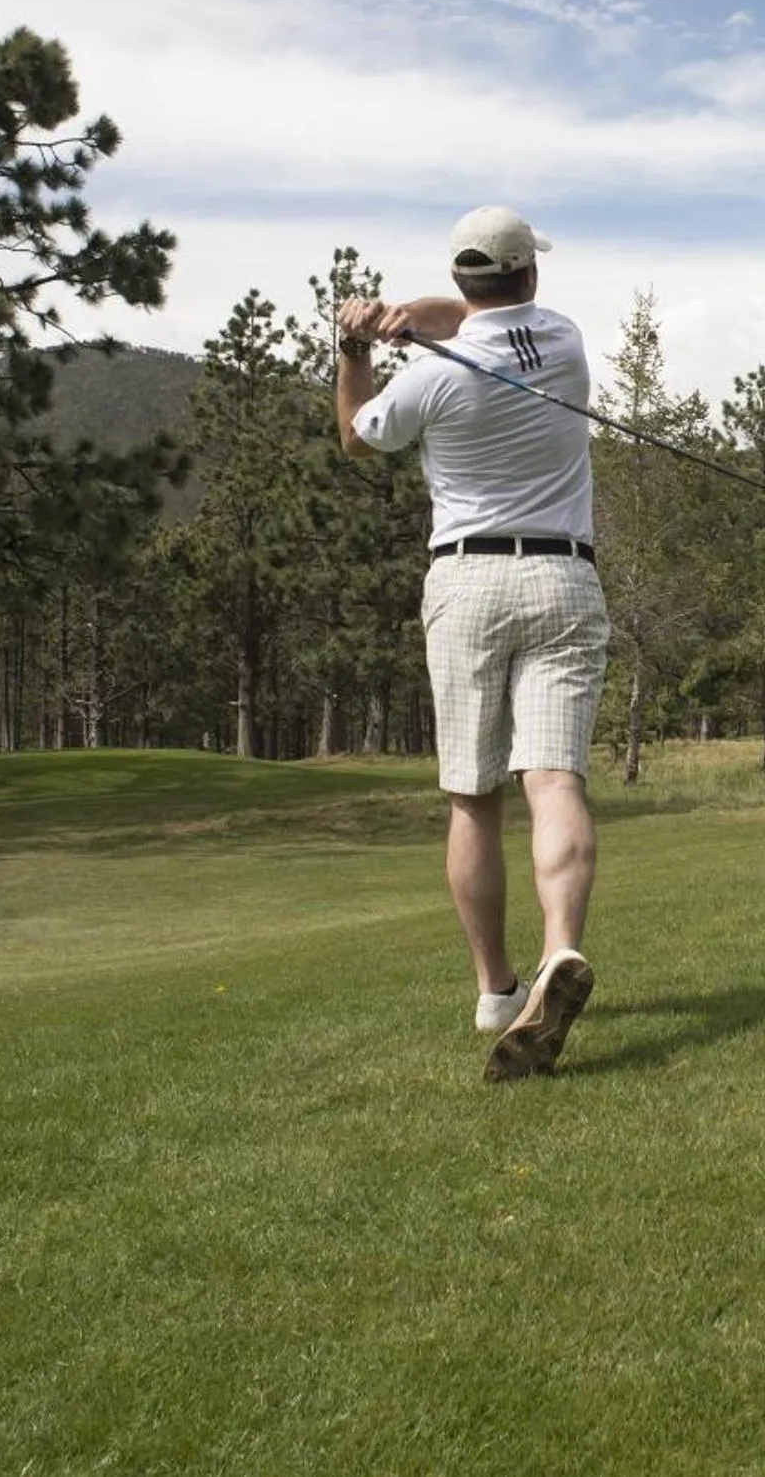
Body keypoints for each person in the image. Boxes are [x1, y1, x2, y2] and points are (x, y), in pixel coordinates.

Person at [335, 207, 609, 1083]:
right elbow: (475, 317)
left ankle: (496, 987)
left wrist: (356, 349)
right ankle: (560, 947)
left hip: (467, 584)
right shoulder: (562, 339)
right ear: (529, 274)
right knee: (554, 778)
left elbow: (355, 436)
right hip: (565, 577)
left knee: (473, 798)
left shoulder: (426, 387)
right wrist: (404, 317)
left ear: (462, 281)